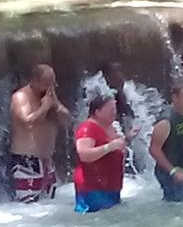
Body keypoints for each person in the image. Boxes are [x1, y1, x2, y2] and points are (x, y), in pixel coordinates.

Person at [9, 64, 71, 203]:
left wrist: (56, 105)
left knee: (49, 206)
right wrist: (44, 107)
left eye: (53, 83)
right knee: (29, 207)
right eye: (46, 84)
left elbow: (67, 122)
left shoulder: (49, 97)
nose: (51, 87)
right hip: (27, 161)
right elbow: (27, 122)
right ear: (35, 81)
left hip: (47, 162)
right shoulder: (21, 97)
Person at [73, 93, 137, 213]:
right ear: (97, 111)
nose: (114, 112)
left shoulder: (109, 127)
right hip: (93, 189)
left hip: (110, 188)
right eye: (111, 109)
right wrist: (109, 147)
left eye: (115, 109)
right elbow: (84, 154)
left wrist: (127, 139)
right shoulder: (88, 128)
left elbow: (113, 149)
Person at [102, 62, 143, 173]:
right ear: (107, 78)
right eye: (116, 74)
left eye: (121, 73)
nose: (121, 77)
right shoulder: (105, 98)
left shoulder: (123, 95)